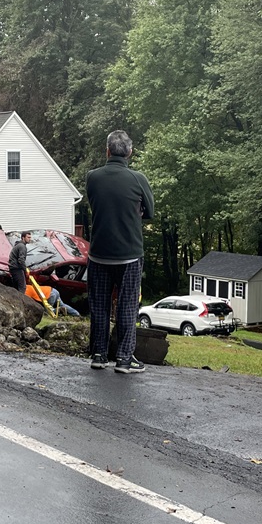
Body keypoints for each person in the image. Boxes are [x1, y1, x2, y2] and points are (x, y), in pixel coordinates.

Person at [86, 130, 154, 373]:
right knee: (126, 306)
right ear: (129, 153)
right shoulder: (138, 179)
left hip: (98, 253)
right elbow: (150, 212)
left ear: (107, 151)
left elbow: (95, 203)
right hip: (130, 254)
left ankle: (99, 354)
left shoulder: (92, 177)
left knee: (100, 305)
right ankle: (125, 359)